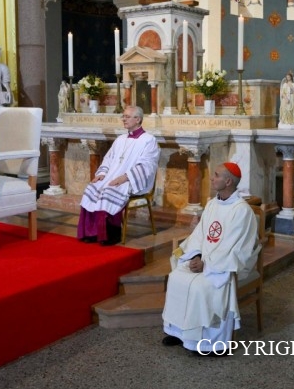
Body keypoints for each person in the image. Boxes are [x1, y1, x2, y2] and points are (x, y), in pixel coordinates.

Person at [162, 162, 261, 354]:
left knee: (201, 287)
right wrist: (196, 255)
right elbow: (199, 235)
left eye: (216, 175)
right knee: (176, 277)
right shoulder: (212, 203)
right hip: (205, 260)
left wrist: (206, 264)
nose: (212, 178)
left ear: (228, 181)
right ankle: (179, 332)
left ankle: (211, 344)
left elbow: (235, 248)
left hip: (223, 266)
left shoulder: (241, 211)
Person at [77, 105, 159, 245]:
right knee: (92, 187)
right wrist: (102, 174)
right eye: (123, 116)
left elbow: (147, 166)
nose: (123, 119)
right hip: (112, 177)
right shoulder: (120, 139)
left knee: (109, 191)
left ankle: (111, 235)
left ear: (138, 119)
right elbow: (108, 159)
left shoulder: (148, 140)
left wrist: (125, 177)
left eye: (127, 117)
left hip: (133, 180)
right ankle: (91, 233)